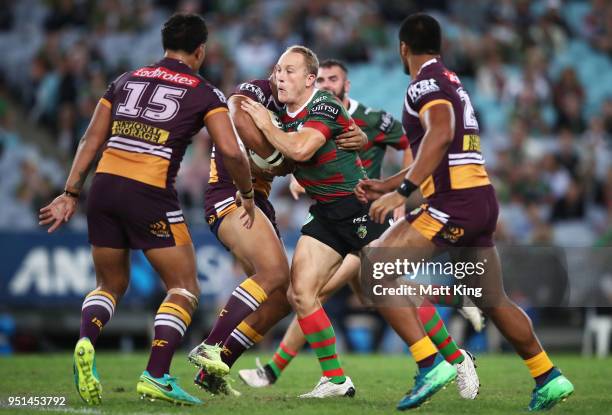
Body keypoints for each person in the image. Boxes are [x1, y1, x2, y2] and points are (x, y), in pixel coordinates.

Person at [355, 13, 574, 411]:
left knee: (374, 269)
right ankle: (548, 376)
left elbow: (440, 133)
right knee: (493, 298)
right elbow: (439, 149)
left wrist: (404, 192)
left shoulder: (423, 84)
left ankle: (429, 364)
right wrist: (387, 184)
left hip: (451, 205)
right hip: (480, 199)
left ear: (402, 48)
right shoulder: (451, 80)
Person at [38, 13, 255, 407]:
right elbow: (230, 150)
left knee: (109, 285)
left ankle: (87, 340)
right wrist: (248, 192)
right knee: (184, 288)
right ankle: (156, 375)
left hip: (103, 186)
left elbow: (90, 137)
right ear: (200, 50)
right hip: (149, 191)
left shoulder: (124, 79)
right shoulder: (205, 92)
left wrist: (70, 192)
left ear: (164, 44)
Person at [239, 59, 480, 401]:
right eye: (321, 78)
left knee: (359, 290)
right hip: (327, 212)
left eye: (331, 78)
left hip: (365, 210)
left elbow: (403, 141)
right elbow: (304, 149)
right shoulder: (300, 110)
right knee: (314, 292)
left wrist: (401, 192)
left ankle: (447, 360)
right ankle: (446, 349)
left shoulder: (347, 112)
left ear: (344, 84)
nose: (326, 83)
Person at [190, 75, 368, 395]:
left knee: (282, 300)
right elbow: (237, 108)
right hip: (231, 194)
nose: (284, 79)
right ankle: (210, 345)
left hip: (258, 200)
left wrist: (359, 137)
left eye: (291, 73)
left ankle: (212, 371)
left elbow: (307, 149)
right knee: (274, 273)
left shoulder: (297, 113)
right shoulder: (259, 91)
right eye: (281, 71)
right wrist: (276, 158)